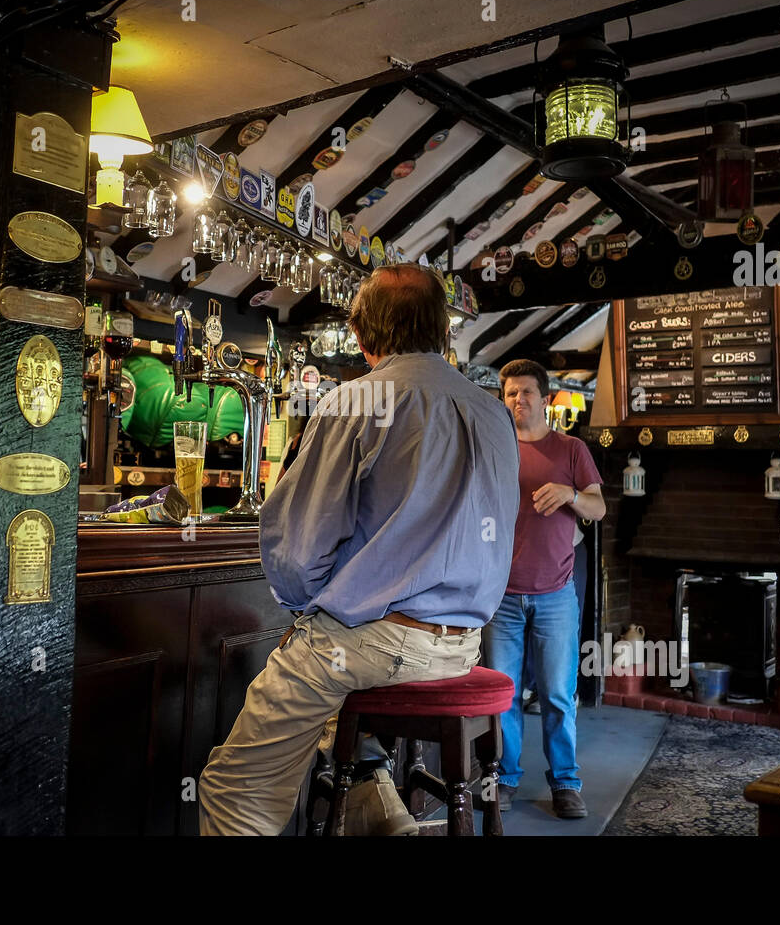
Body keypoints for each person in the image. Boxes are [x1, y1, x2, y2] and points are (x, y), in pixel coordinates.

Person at [199, 264, 520, 835]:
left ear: (360, 333)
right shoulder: (493, 411)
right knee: (335, 662)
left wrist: (314, 605)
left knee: (234, 787)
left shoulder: (356, 400)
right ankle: (380, 809)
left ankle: (371, 799)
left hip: (379, 644)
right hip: (461, 648)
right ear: (443, 332)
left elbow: (297, 553)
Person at [485, 359, 604, 819]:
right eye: (511, 393)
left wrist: (570, 495)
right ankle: (506, 777)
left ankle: (566, 784)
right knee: (505, 696)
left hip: (556, 594)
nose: (518, 401)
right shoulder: (495, 449)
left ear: (545, 397)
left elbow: (599, 508)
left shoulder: (571, 449)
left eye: (527, 392)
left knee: (557, 693)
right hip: (502, 597)